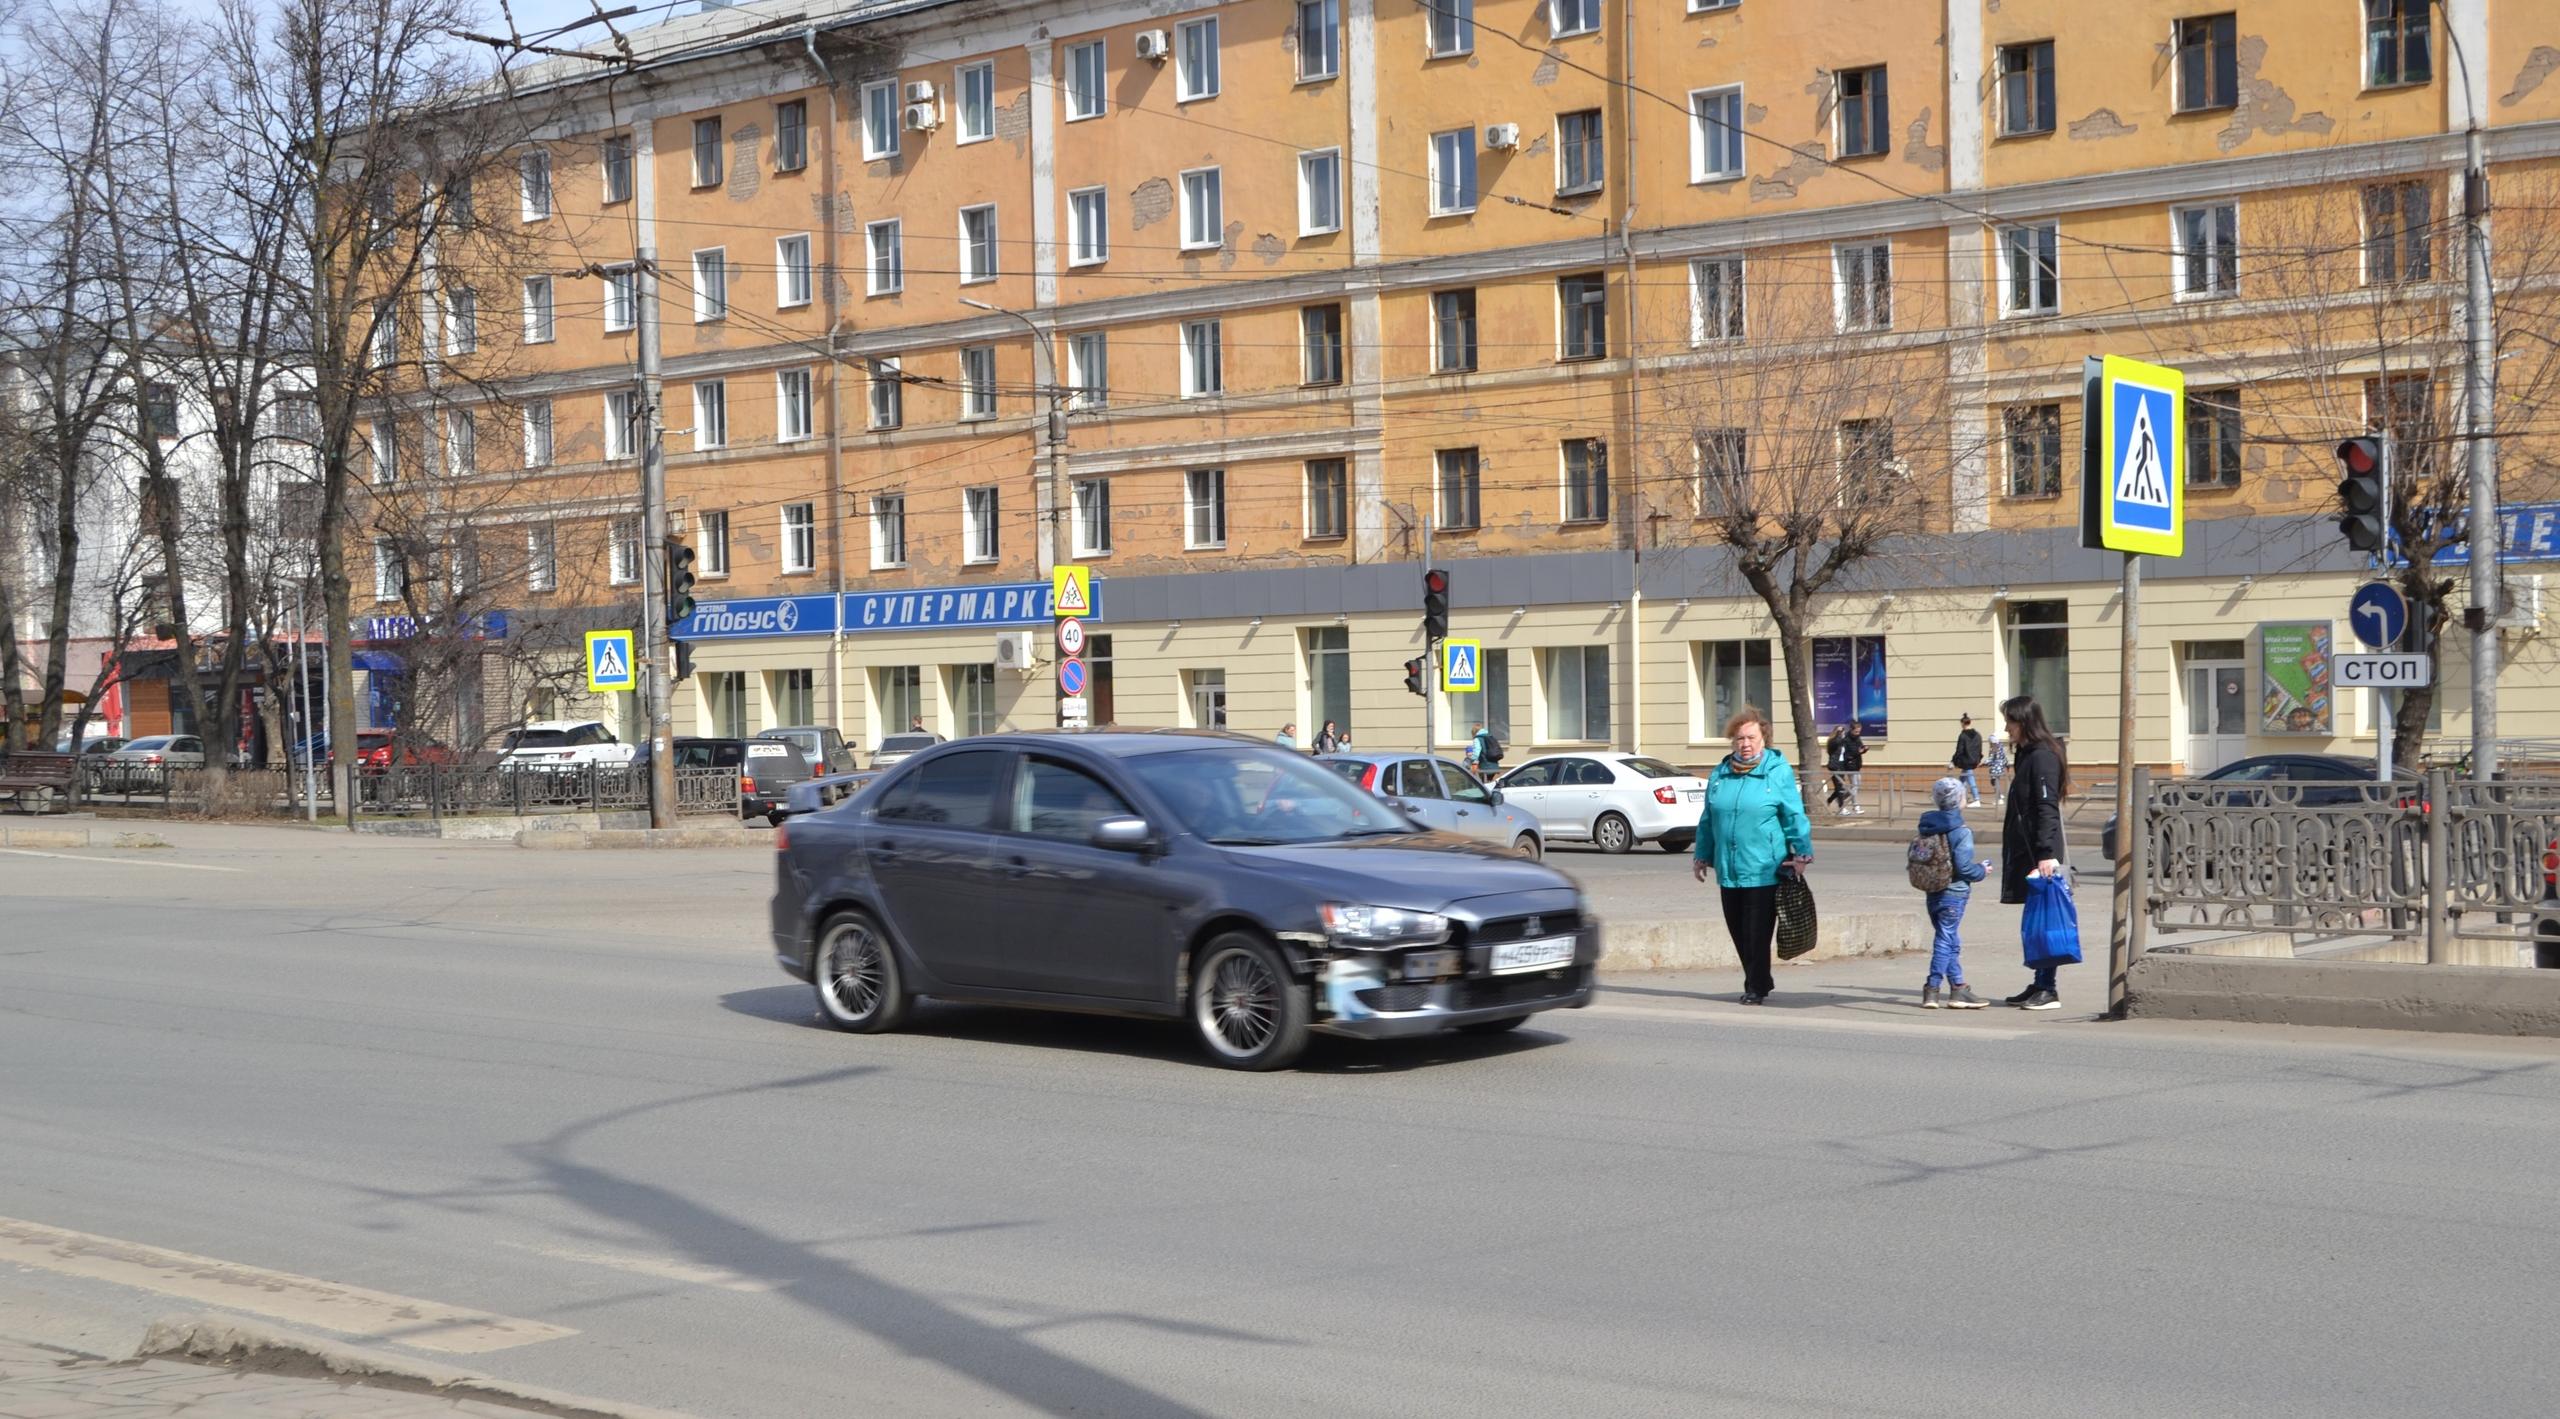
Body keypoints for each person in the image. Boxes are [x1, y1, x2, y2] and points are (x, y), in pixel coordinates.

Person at [1691, 707, 1814, 1005]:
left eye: (1751, 737)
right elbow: (1709, 818)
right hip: (1729, 868)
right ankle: (1759, 979)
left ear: (1763, 739)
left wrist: (1802, 853)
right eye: (1739, 738)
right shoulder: (1720, 773)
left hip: (1765, 866)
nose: (1744, 744)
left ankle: (1756, 986)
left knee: (1756, 933)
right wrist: (1701, 855)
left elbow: (1794, 815)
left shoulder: (1776, 771)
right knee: (1738, 931)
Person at [1997, 693, 2071, 1010]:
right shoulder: (2028, 753)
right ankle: (2040, 982)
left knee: (2045, 922)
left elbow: (2045, 808)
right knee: (2036, 920)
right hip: (2031, 849)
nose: (2006, 727)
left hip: (2041, 853)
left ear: (2024, 722)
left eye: (2010, 721)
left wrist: (2045, 853)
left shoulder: (2042, 757)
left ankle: (2048, 989)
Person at [1913, 777, 1990, 1009]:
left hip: (1932, 889)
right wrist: (1982, 870)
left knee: (1950, 939)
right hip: (1954, 893)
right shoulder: (1961, 831)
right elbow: (1964, 868)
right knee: (1946, 939)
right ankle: (1932, 988)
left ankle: (1958, 988)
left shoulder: (1926, 826)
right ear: (1959, 800)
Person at [1825, 724, 1867, 815]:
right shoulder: (1833, 741)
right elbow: (1836, 743)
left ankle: (1831, 800)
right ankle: (1842, 808)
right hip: (1835, 766)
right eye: (1841, 733)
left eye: (1843, 732)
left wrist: (1862, 750)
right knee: (1840, 788)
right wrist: (1839, 733)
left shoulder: (1843, 742)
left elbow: (1848, 750)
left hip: (1842, 766)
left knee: (1840, 787)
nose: (1843, 734)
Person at [1950, 714, 1986, 807]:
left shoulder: (1963, 736)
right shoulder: (1978, 735)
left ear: (1962, 723)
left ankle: (1976, 799)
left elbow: (1959, 750)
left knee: (1970, 778)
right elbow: (1980, 748)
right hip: (1974, 760)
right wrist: (1979, 759)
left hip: (1966, 761)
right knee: (1962, 780)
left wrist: (1953, 761)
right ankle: (1959, 798)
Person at [1985, 735, 2011, 805]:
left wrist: (1984, 762)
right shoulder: (2000, 746)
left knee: (1995, 782)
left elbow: (1991, 758)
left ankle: (1999, 798)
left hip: (1995, 768)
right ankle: (1999, 795)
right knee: (1996, 782)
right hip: (2000, 767)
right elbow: (2003, 757)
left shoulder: (1994, 748)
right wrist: (2006, 764)